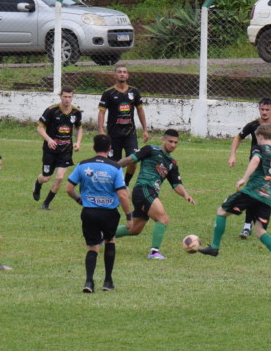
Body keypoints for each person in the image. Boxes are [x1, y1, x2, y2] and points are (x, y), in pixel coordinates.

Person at [198, 123, 271, 276]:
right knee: (260, 231)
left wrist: (244, 178)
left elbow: (255, 160)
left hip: (251, 192)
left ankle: (214, 247)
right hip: (268, 197)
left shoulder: (258, 148)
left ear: (259, 136)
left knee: (222, 211)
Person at [66, 134, 133, 293]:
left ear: (93, 147)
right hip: (109, 213)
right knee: (110, 241)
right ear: (110, 148)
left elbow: (69, 188)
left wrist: (79, 200)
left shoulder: (83, 165)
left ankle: (89, 282)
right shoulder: (115, 167)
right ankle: (108, 281)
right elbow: (123, 195)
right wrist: (129, 216)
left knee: (93, 247)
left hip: (89, 212)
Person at [115, 128, 195, 259]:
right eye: (170, 141)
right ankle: (154, 252)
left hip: (150, 193)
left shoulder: (172, 163)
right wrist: (111, 167)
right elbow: (130, 160)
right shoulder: (150, 150)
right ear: (163, 139)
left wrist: (186, 194)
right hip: (144, 189)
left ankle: (102, 236)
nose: (173, 145)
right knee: (163, 219)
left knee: (134, 229)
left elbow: (176, 184)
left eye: (176, 143)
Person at [228, 97, 271, 239]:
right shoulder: (253, 125)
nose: (264, 112)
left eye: (267, 110)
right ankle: (247, 226)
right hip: (256, 163)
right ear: (259, 109)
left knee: (262, 195)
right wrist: (232, 155)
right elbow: (238, 138)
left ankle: (259, 225)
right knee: (251, 192)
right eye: (262, 109)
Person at [97, 64, 149, 185]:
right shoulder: (108, 93)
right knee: (114, 164)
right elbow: (101, 112)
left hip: (130, 134)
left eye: (124, 72)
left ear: (127, 75)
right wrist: (101, 130)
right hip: (113, 134)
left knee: (134, 160)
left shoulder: (134, 92)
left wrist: (145, 130)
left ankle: (125, 184)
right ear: (115, 75)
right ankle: (115, 186)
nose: (122, 74)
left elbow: (140, 110)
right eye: (119, 72)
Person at [33, 87, 83, 211]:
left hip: (66, 150)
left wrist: (78, 142)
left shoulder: (76, 112)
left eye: (69, 97)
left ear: (72, 97)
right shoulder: (51, 111)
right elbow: (39, 128)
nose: (67, 99)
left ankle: (46, 203)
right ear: (60, 96)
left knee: (60, 177)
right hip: (50, 150)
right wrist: (49, 140)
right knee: (46, 177)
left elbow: (79, 128)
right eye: (65, 97)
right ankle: (38, 184)